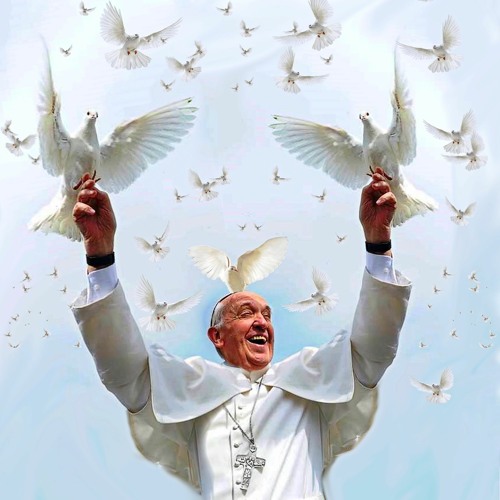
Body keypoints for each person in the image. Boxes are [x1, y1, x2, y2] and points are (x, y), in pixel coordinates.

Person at [71, 167, 411, 499]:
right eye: (247, 313)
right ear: (217, 336)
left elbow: (373, 348)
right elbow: (123, 368)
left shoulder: (310, 386)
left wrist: (378, 244)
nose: (262, 322)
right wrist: (100, 257)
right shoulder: (190, 391)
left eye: (267, 315)